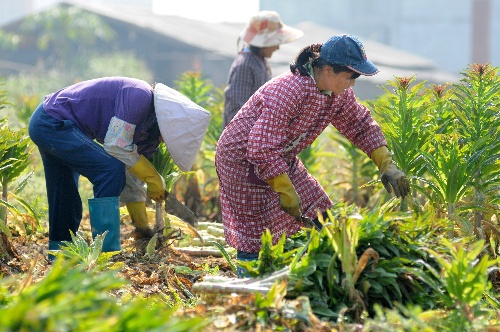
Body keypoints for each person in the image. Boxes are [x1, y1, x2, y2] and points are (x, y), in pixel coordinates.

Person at [215, 34, 410, 263]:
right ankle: (250, 282)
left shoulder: (339, 94)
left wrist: (386, 164)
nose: (353, 83)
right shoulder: (289, 90)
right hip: (241, 160)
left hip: (279, 156)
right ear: (328, 70)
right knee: (258, 232)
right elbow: (260, 148)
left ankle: (323, 268)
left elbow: (360, 125)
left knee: (320, 212)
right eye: (350, 76)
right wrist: (285, 190)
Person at [28, 77, 210, 256]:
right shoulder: (139, 95)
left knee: (64, 192)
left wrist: (142, 227)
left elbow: (131, 178)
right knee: (109, 169)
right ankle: (106, 251)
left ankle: (59, 253)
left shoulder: (148, 137)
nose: (165, 141)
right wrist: (152, 176)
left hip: (53, 125)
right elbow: (116, 144)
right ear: (168, 121)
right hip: (51, 121)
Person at [222, 11, 303, 129]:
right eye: (274, 42)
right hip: (244, 139)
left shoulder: (259, 61)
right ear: (262, 44)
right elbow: (236, 110)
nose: (277, 47)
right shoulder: (245, 65)